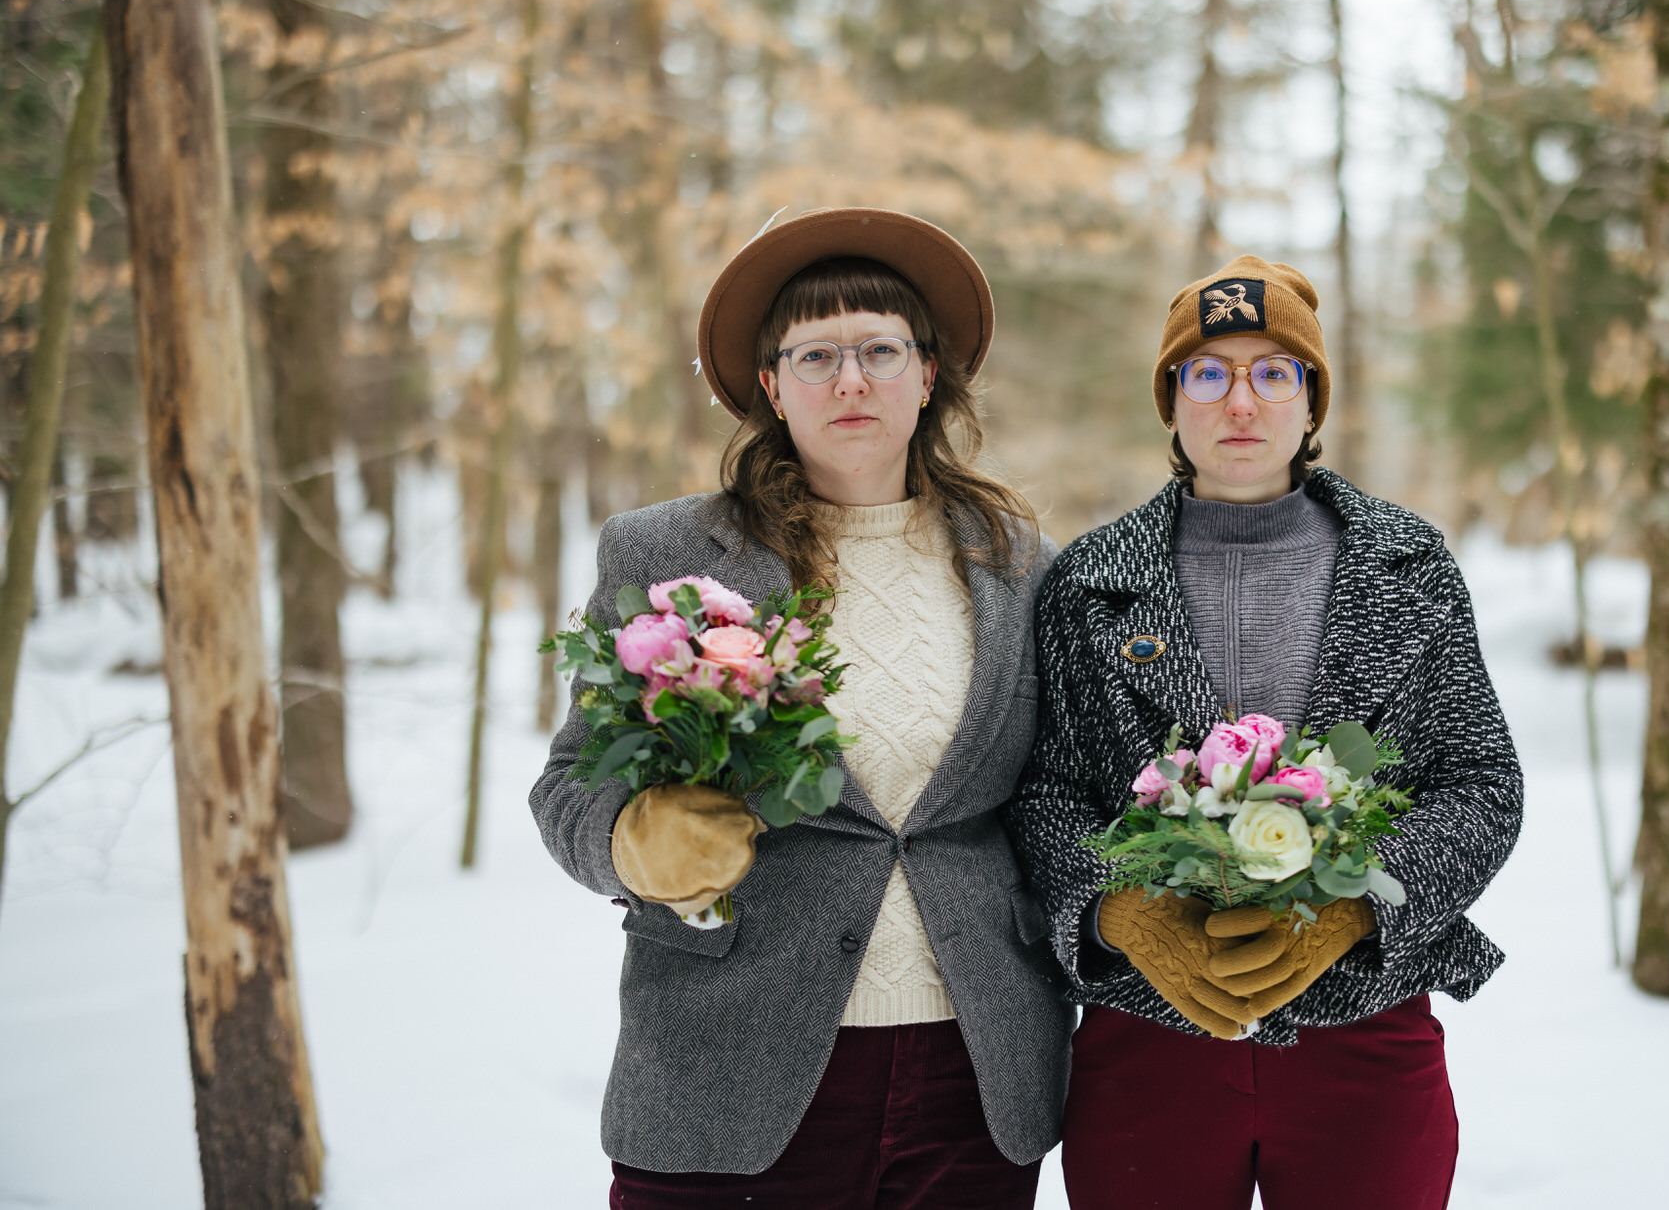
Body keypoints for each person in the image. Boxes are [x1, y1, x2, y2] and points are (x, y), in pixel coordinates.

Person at [530, 208, 1070, 1209]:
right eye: (815, 354)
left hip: (973, 1074)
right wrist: (632, 839)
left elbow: (1048, 801)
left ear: (928, 374)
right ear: (771, 386)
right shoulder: (665, 558)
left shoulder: (1022, 565)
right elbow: (571, 785)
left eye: (877, 349)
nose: (850, 378)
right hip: (730, 1069)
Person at [1006, 256, 1523, 1210]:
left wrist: (1360, 907)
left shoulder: (1408, 566)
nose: (1240, 400)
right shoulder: (1089, 582)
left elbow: (1479, 782)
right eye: (1209, 373)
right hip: (1153, 1030)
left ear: (1312, 400)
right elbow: (1045, 795)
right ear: (1171, 400)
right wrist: (1121, 912)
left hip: (1365, 1023)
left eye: (1273, 372)